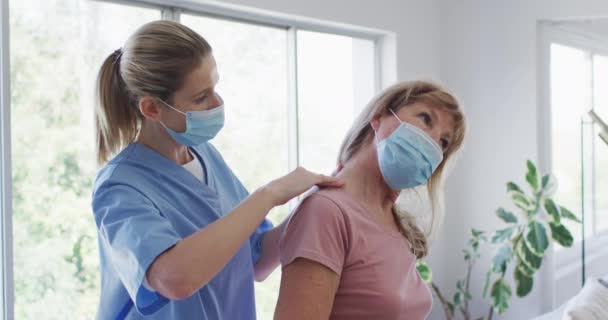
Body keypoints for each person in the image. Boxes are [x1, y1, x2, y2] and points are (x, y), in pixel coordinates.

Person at [91, 20, 342, 320]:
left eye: (214, 87)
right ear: (152, 109)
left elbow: (257, 258)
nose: (218, 102)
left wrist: (315, 204)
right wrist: (269, 195)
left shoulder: (206, 157)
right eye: (200, 97)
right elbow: (174, 279)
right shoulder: (120, 186)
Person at [275, 81, 466, 320]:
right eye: (426, 119)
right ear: (379, 116)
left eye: (443, 142)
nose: (432, 142)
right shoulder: (326, 211)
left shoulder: (396, 223)